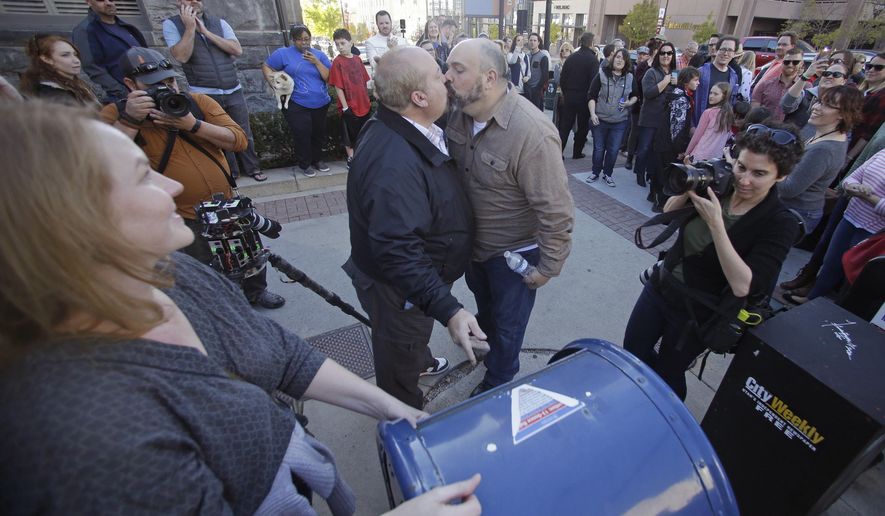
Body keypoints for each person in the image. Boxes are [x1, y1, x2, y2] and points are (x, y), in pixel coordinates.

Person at [0, 101, 483, 516]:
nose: (171, 187)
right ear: (69, 222)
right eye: (143, 175)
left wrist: (395, 410)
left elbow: (284, 356)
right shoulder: (88, 440)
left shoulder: (170, 272)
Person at [344, 47, 485, 409]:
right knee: (398, 363)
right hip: (401, 291)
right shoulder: (393, 161)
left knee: (410, 343)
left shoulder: (403, 126)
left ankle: (418, 361)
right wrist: (450, 310)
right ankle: (405, 422)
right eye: (440, 75)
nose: (448, 79)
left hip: (412, 287)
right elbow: (397, 251)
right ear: (419, 97)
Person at [624, 121, 804, 400]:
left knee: (668, 373)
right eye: (741, 167)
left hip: (699, 312)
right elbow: (669, 211)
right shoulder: (721, 185)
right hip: (662, 286)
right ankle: (635, 399)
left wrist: (717, 225)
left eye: (759, 173)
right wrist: (690, 184)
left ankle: (666, 424)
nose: (744, 180)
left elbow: (744, 285)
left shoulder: (780, 222)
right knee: (632, 352)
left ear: (780, 177)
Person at [102, 46, 286, 310]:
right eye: (153, 85)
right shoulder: (115, 115)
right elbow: (102, 165)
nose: (166, 90)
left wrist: (192, 125)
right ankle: (221, 308)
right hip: (184, 215)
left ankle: (256, 292)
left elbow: (238, 140)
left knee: (247, 253)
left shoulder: (197, 103)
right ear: (130, 85)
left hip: (226, 205)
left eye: (169, 81)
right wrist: (131, 120)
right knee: (204, 266)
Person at [445, 39, 575, 397]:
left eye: (458, 69)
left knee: (508, 325)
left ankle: (500, 379)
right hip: (475, 248)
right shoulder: (458, 112)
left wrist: (548, 267)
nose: (447, 76)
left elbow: (556, 208)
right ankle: (486, 341)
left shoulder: (531, 132)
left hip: (516, 255)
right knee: (486, 307)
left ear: (488, 78)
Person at [162, 0, 265, 182]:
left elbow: (236, 49)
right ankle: (231, 173)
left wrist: (206, 33)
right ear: (179, 2)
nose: (195, 2)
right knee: (217, 134)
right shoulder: (171, 25)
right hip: (204, 91)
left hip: (232, 88)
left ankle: (253, 168)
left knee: (243, 131)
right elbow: (181, 56)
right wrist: (190, 28)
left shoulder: (219, 23)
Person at [795, 148, 885, 303]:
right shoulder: (883, 152)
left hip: (874, 231)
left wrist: (868, 197)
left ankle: (835, 315)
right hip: (850, 217)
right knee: (831, 263)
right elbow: (851, 179)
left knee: (853, 278)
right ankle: (811, 300)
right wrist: (853, 187)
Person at [778, 86, 862, 233]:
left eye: (826, 105)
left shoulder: (824, 149)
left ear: (843, 114)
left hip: (796, 213)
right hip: (792, 209)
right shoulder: (825, 136)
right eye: (818, 101)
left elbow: (789, 189)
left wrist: (770, 166)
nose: (816, 107)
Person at [263, 24, 332, 178]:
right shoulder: (283, 54)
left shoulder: (319, 55)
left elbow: (328, 77)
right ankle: (305, 163)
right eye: (299, 40)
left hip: (320, 102)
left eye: (306, 39)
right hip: (296, 103)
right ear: (293, 40)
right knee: (302, 132)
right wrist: (274, 84)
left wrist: (316, 62)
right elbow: (267, 66)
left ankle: (318, 160)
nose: (304, 42)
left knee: (318, 133)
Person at [71, 0, 147, 102]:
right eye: (101, 0)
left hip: (149, 89)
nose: (108, 3)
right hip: (127, 98)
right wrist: (123, 93)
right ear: (89, 2)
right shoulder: (85, 30)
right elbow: (92, 68)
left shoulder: (126, 27)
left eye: (111, 0)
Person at [635, 41, 677, 210]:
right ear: (658, 55)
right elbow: (648, 93)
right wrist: (666, 81)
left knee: (657, 152)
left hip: (665, 120)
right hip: (650, 117)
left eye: (669, 53)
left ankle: (651, 177)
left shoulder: (674, 73)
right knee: (644, 147)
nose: (666, 56)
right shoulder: (652, 72)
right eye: (663, 53)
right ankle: (640, 172)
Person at [587, 47, 636, 185]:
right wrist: (592, 114)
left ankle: (608, 174)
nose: (620, 60)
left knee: (613, 150)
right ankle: (595, 172)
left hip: (619, 121)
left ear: (627, 62)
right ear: (613, 58)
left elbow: (636, 96)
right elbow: (591, 95)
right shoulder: (602, 74)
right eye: (618, 57)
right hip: (600, 119)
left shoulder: (630, 77)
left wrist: (628, 103)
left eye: (623, 58)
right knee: (599, 149)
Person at [330, 28, 372, 169]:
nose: (340, 47)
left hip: (362, 103)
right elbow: (337, 86)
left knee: (363, 132)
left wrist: (367, 99)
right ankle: (351, 158)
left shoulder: (357, 59)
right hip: (349, 105)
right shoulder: (337, 62)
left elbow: (364, 81)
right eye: (337, 44)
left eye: (343, 43)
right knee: (348, 134)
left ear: (350, 43)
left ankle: (363, 156)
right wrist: (345, 106)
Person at [19, 34, 99, 106]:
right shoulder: (53, 94)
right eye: (65, 55)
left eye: (75, 54)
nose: (76, 60)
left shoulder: (73, 83)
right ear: (47, 59)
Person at [557, 32, 598, 158]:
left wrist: (566, 92)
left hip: (570, 96)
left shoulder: (572, 58)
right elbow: (594, 82)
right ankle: (577, 152)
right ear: (591, 43)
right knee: (582, 127)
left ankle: (559, 151)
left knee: (565, 125)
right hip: (584, 98)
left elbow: (563, 79)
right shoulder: (593, 60)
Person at [782, 60, 848, 136]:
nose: (829, 77)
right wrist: (805, 76)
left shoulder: (843, 104)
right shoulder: (806, 94)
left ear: (844, 81)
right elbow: (785, 106)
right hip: (786, 140)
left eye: (836, 75)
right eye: (826, 73)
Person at [657, 66, 700, 179]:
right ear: (686, 81)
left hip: (664, 143)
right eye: (695, 80)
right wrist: (680, 150)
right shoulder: (681, 99)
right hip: (670, 147)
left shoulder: (678, 94)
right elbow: (677, 129)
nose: (698, 83)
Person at [846, 53, 885, 167]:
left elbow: (869, 132)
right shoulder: (862, 90)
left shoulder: (882, 96)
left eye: (878, 67)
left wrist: (849, 157)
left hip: (851, 148)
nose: (871, 70)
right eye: (869, 66)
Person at [693, 36, 739, 127]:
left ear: (734, 54)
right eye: (723, 49)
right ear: (717, 50)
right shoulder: (700, 72)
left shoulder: (734, 77)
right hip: (698, 124)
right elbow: (690, 99)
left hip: (719, 127)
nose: (725, 53)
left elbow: (731, 103)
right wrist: (691, 126)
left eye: (730, 50)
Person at [684, 82, 735, 162]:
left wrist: (687, 153)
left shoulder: (709, 112)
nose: (711, 96)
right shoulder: (728, 114)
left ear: (724, 96)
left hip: (699, 155)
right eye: (710, 93)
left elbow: (697, 136)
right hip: (716, 158)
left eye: (715, 94)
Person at [625, 43, 656, 171]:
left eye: (645, 54)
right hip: (638, 104)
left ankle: (640, 160)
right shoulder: (641, 66)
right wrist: (648, 67)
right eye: (640, 54)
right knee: (635, 131)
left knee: (646, 135)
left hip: (650, 107)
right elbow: (638, 83)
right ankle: (629, 158)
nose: (642, 56)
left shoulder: (656, 67)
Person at [752, 47, 805, 121]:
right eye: (787, 62)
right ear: (782, 62)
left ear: (801, 64)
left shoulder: (806, 87)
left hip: (788, 130)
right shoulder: (765, 84)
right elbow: (754, 112)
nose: (790, 65)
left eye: (795, 62)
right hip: (764, 128)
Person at [365, 10, 409, 75]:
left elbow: (408, 62)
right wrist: (389, 48)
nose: (385, 26)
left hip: (401, 80)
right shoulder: (370, 42)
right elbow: (374, 65)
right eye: (381, 23)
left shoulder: (402, 41)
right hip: (382, 82)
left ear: (391, 23)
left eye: (387, 23)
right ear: (377, 24)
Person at [551, 42, 573, 127]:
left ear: (571, 51)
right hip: (560, 95)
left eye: (567, 50)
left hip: (571, 95)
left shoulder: (574, 64)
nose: (564, 52)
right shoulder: (558, 65)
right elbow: (557, 80)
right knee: (559, 120)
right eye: (562, 50)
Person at [525, 33, 549, 110]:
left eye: (535, 40)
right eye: (531, 40)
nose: (532, 42)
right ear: (528, 41)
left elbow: (545, 75)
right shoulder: (526, 56)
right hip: (526, 89)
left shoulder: (543, 57)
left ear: (538, 42)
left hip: (536, 90)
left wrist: (538, 88)